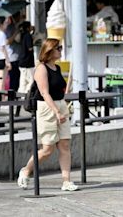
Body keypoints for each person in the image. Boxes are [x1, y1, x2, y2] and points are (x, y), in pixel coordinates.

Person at [17, 38, 78, 192]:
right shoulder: (41, 69)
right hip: (47, 108)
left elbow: (59, 89)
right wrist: (56, 112)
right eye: (59, 48)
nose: (61, 50)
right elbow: (44, 93)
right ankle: (26, 170)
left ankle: (66, 181)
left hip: (60, 104)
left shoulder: (56, 68)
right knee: (47, 149)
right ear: (50, 50)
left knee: (64, 145)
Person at [4, 15, 21, 92]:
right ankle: (11, 100)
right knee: (13, 81)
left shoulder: (18, 26)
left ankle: (17, 100)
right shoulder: (9, 28)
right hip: (12, 58)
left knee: (18, 80)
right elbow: (7, 42)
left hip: (19, 57)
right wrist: (15, 33)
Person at [17, 21, 35, 94]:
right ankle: (26, 95)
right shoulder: (28, 36)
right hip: (27, 63)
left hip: (22, 61)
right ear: (28, 28)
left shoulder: (23, 35)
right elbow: (30, 48)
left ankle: (20, 97)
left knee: (23, 81)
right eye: (30, 26)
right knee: (31, 81)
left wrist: (33, 32)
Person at [0, 17, 11, 92]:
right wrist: (8, 61)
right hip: (1, 59)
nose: (7, 24)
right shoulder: (1, 34)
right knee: (1, 81)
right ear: (1, 24)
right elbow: (3, 48)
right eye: (5, 23)